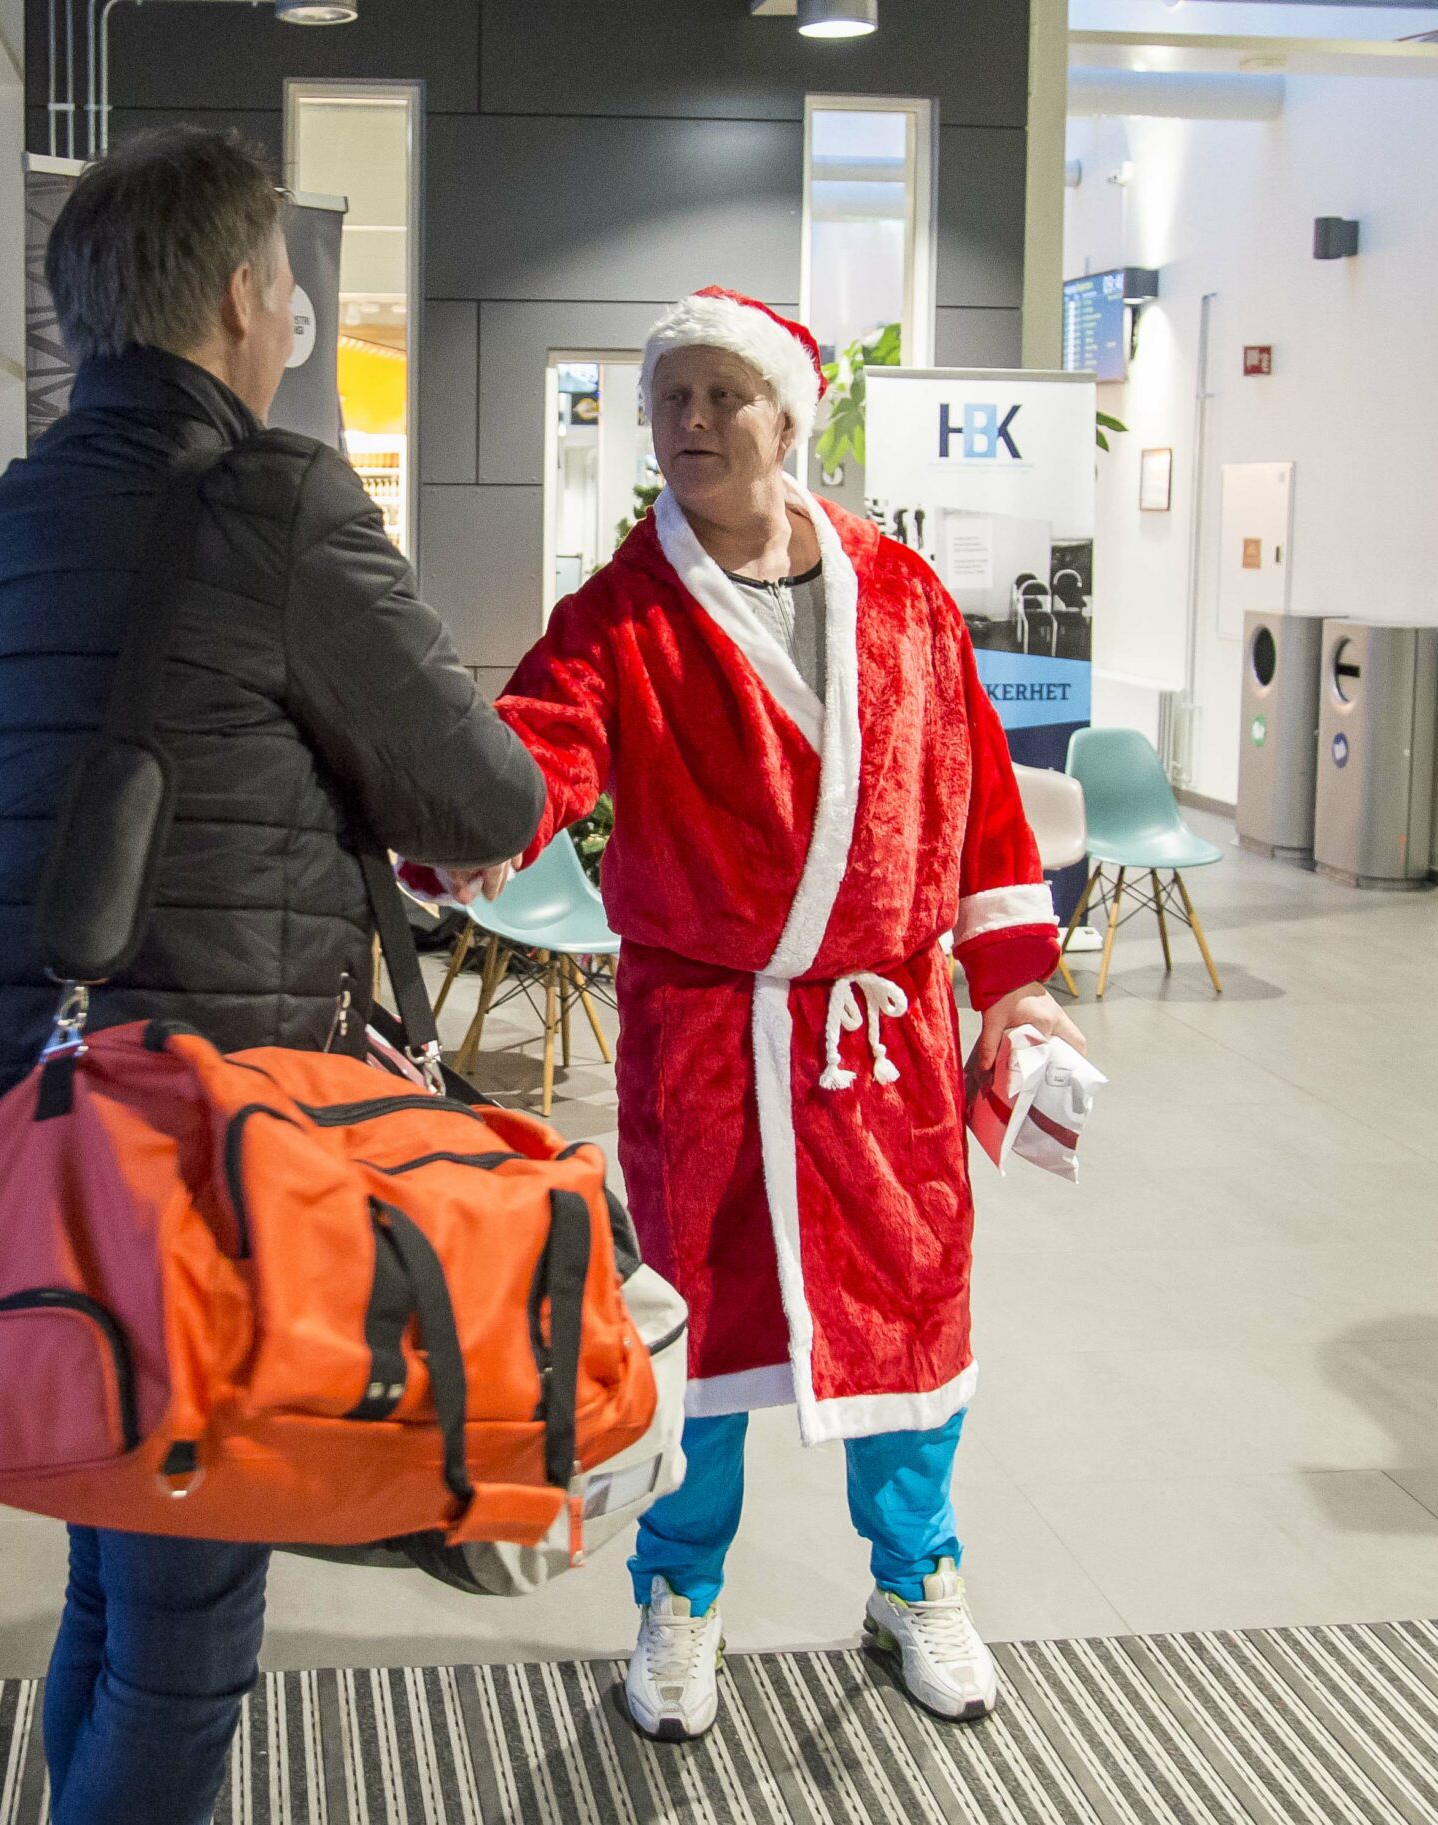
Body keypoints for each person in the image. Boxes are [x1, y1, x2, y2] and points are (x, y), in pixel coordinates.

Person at [0, 128, 542, 1825]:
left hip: (18, 1123)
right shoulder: (279, 499)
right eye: (289, 287)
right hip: (200, 1149)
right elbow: (483, 797)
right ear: (249, 295)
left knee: (120, 1570)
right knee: (187, 1638)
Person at [431, 288, 1079, 1739]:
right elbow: (543, 748)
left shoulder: (901, 592)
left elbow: (975, 793)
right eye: (673, 400)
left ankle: (918, 1578)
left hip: (882, 1039)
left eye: (727, 397)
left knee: (911, 1316)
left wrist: (1015, 981)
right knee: (696, 1329)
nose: (696, 424)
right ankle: (681, 1598)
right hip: (709, 1042)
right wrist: (474, 826)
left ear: (790, 418)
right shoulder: (621, 613)